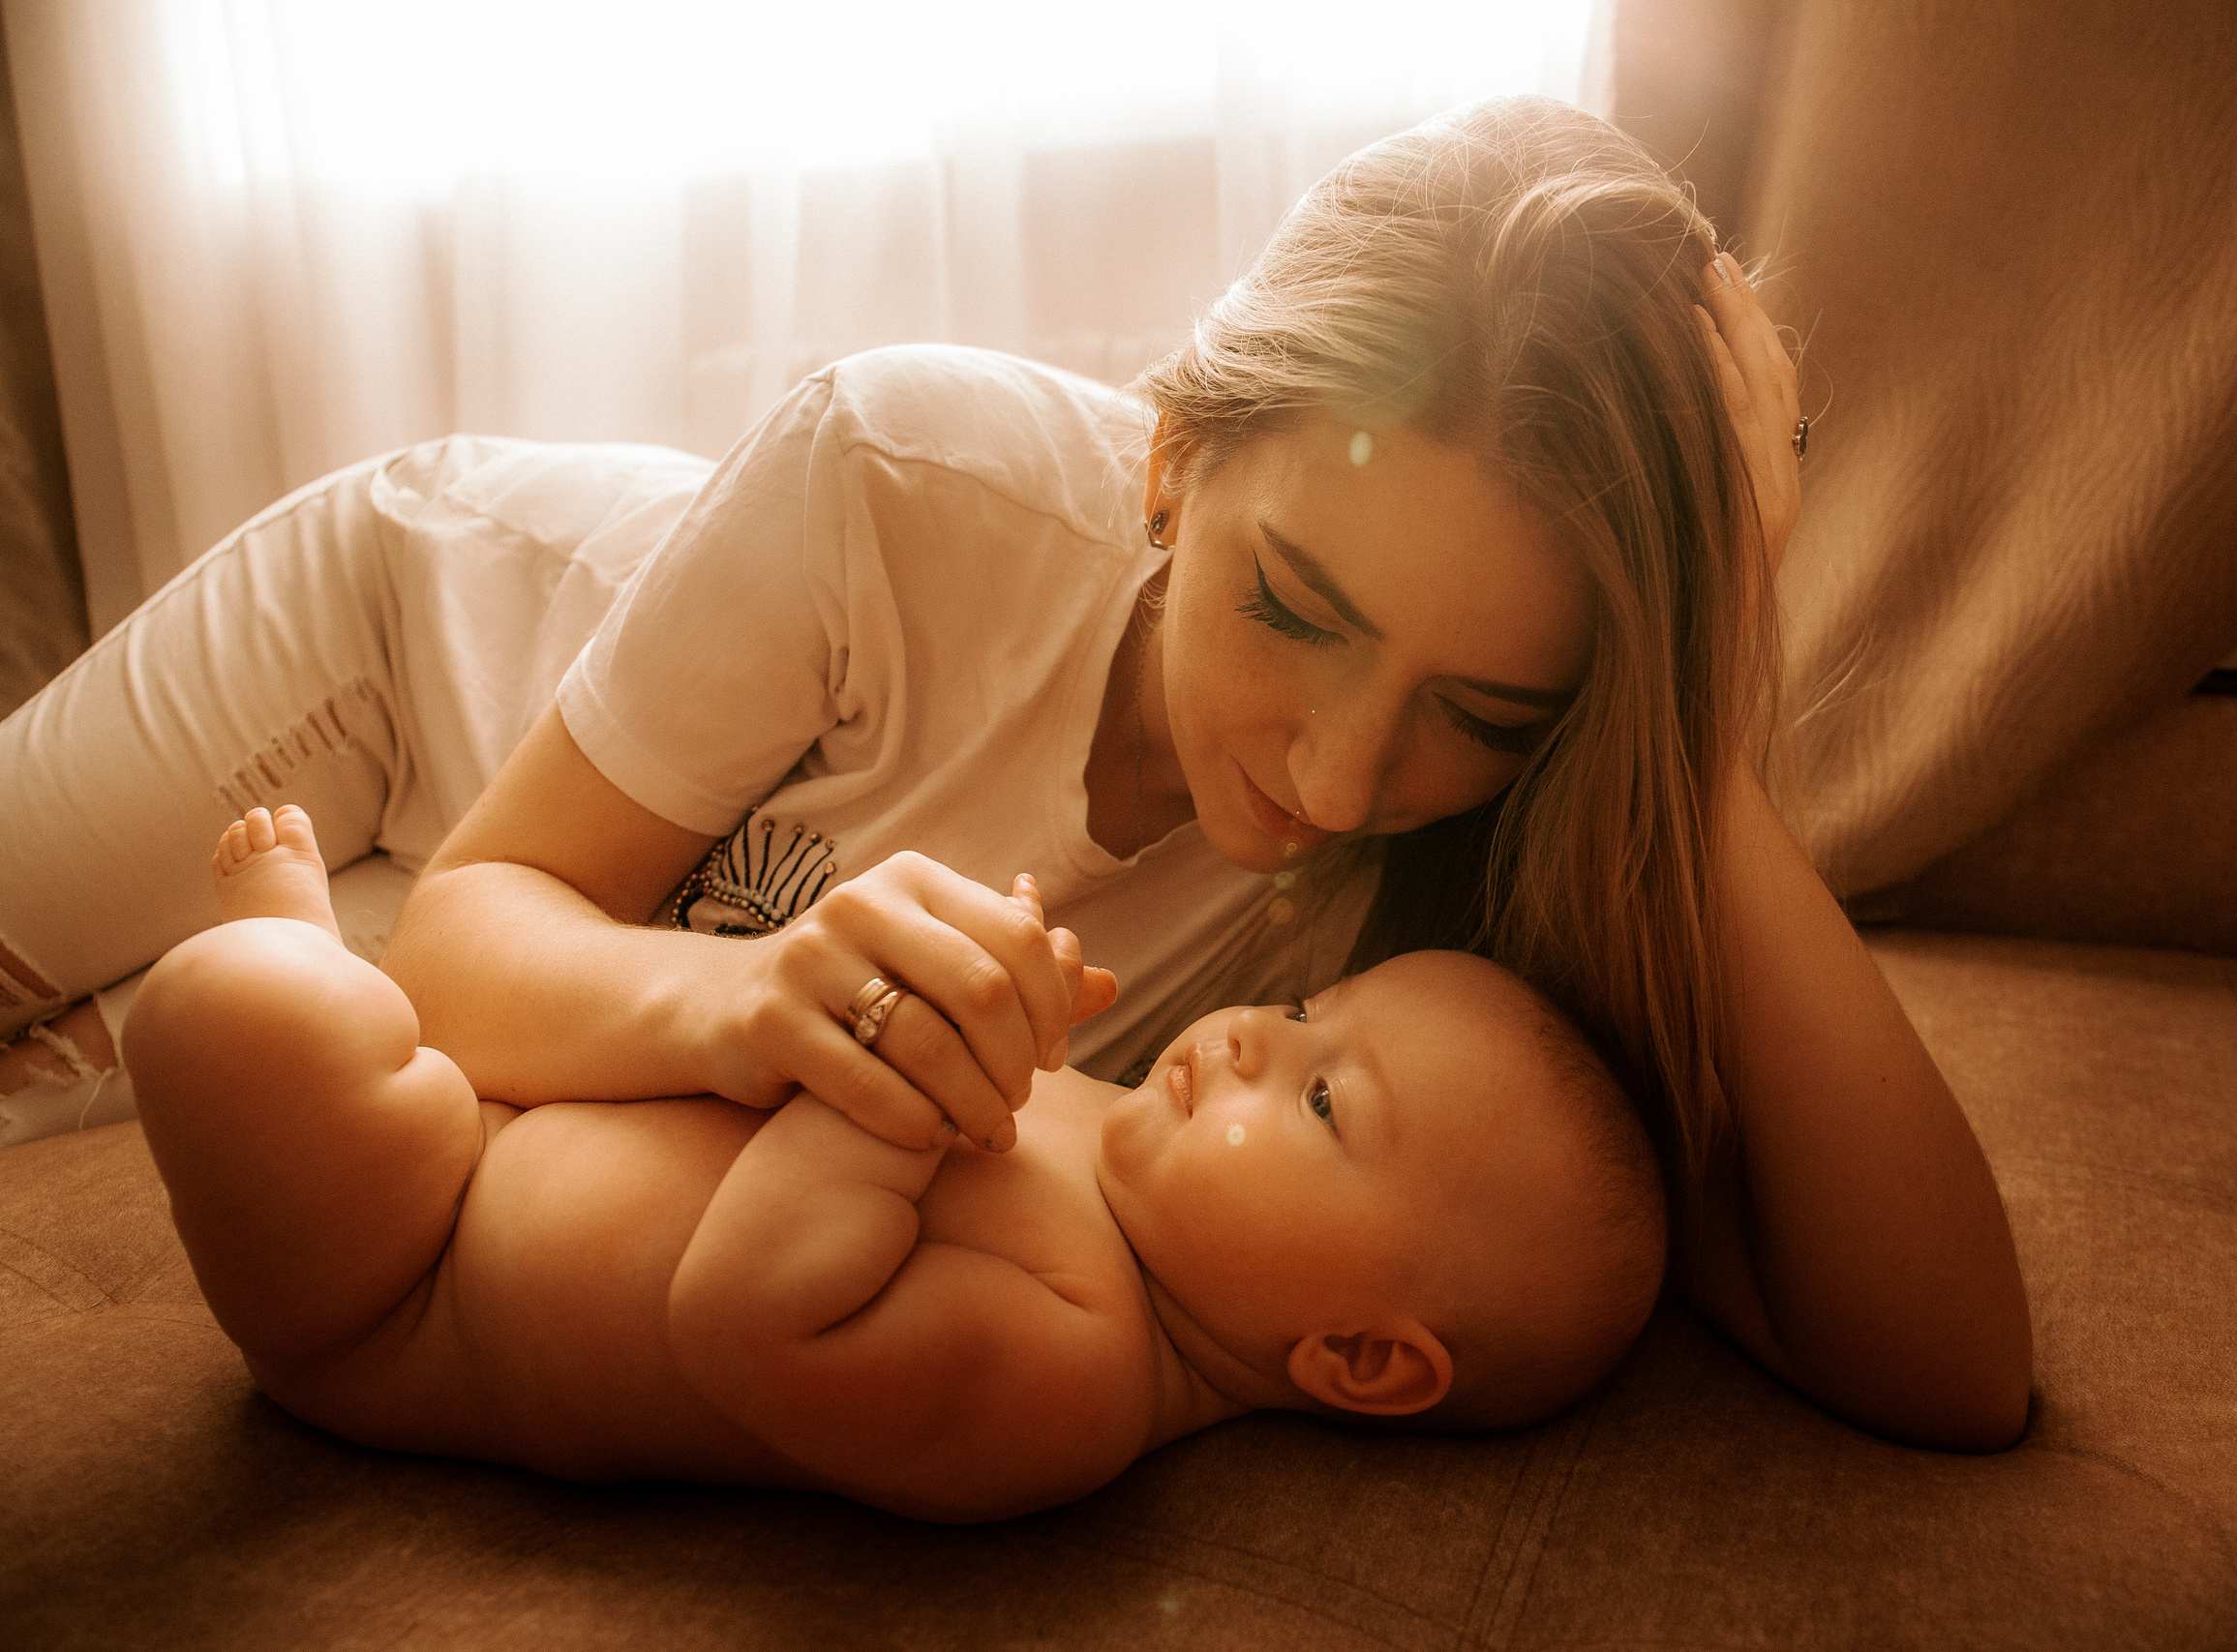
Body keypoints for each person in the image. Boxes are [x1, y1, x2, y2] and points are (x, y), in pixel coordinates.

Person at [0, 96, 2029, 1452]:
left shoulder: (1457, 926)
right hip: (408, 687)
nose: (1335, 769)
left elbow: (1948, 1366)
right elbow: (477, 932)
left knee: (184, 1059)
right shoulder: (905, 467)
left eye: (1478, 709)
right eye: (1292, 605)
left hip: (523, 1045)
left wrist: (1693, 688)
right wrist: (752, 1009)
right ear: (1170, 459)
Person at [127, 803, 1665, 1520]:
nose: (1261, 1033)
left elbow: (741, 1318)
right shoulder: (1119, 1132)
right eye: (1313, 1009)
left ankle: (293, 958)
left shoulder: (1078, 1375)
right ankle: (333, 977)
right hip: (489, 1122)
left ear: (1355, 1357)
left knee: (237, 1011)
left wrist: (902, 1091)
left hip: (401, 1287)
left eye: (1330, 1103)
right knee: (331, 1030)